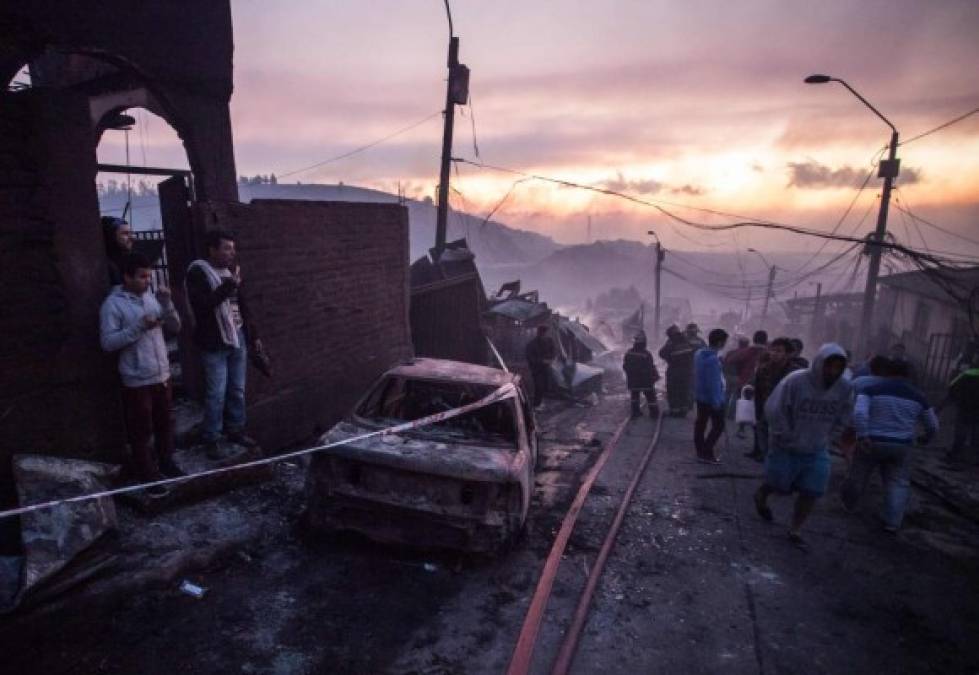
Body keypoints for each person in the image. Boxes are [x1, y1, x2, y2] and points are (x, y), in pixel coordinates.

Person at [753, 343, 853, 549]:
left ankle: (796, 528)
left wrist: (830, 436)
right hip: (786, 445)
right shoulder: (796, 381)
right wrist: (784, 434)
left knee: (812, 489)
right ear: (819, 363)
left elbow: (845, 415)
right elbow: (774, 408)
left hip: (817, 447)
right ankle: (762, 494)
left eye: (838, 368)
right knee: (779, 484)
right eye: (829, 366)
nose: (832, 372)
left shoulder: (844, 388)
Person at [99, 252, 182, 492]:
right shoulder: (112, 305)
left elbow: (176, 328)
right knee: (141, 429)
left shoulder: (151, 298)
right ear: (126, 276)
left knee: (165, 423)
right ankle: (147, 474)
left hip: (161, 375)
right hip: (136, 380)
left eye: (149, 276)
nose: (148, 281)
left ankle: (166, 462)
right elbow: (107, 343)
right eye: (142, 277)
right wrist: (138, 326)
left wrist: (167, 304)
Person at [186, 229, 260, 457]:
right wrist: (230, 285)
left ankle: (236, 429)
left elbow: (242, 306)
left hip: (237, 336)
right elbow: (203, 306)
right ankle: (212, 438)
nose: (231, 253)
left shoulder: (230, 272)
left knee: (237, 389)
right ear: (212, 249)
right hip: (214, 341)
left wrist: (254, 335)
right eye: (227, 248)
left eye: (233, 249)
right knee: (216, 392)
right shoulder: (198, 272)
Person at [841, 360, 938, 532]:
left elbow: (860, 413)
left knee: (858, 475)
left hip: (872, 441)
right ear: (908, 375)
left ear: (886, 373)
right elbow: (933, 425)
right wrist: (925, 439)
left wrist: (863, 435)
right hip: (902, 445)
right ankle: (892, 522)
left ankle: (848, 507)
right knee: (897, 483)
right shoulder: (919, 396)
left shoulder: (871, 390)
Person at [745, 337, 799, 462]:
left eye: (779, 351)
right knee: (764, 437)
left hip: (786, 413)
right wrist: (758, 411)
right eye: (773, 350)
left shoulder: (795, 373)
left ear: (788, 354)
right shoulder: (763, 369)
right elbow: (758, 391)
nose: (774, 354)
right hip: (766, 409)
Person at [694, 328, 728, 463]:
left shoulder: (699, 353)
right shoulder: (713, 360)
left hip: (700, 395)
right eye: (725, 341)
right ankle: (707, 453)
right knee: (719, 425)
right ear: (720, 342)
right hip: (711, 398)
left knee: (700, 423)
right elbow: (713, 383)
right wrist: (717, 401)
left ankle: (700, 451)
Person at [725, 330, 768, 433]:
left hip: (745, 381)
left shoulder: (747, 351)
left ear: (753, 339)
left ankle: (740, 425)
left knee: (742, 401)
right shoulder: (770, 352)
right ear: (765, 340)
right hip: (764, 383)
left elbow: (730, 360)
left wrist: (737, 373)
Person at [946, 355, 979, 465]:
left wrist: (957, 399)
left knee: (961, 432)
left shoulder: (967, 373)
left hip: (964, 407)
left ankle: (956, 454)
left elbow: (952, 386)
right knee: (976, 433)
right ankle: (973, 457)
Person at [658, 324, 695, 417]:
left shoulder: (671, 342)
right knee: (684, 389)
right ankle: (683, 411)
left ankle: (674, 411)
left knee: (673, 390)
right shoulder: (686, 341)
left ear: (671, 334)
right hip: (687, 371)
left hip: (674, 371)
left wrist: (669, 358)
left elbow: (661, 353)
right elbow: (692, 353)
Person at [623, 332, 659, 418]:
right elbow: (651, 367)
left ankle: (635, 412)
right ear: (644, 342)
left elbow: (625, 366)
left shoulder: (629, 353)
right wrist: (655, 376)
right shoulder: (646, 354)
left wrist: (630, 375)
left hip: (633, 380)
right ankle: (654, 413)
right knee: (651, 396)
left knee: (634, 396)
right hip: (645, 380)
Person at [525, 324, 556, 409]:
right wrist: (542, 361)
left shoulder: (550, 341)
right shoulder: (532, 344)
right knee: (538, 386)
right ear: (539, 333)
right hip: (536, 369)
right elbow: (530, 357)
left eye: (546, 333)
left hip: (547, 367)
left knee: (545, 386)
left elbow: (553, 352)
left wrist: (551, 359)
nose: (545, 335)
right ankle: (536, 404)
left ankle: (540, 402)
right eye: (543, 333)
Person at [101, 216, 134, 286]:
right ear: (111, 236)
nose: (131, 237)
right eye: (125, 233)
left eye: (131, 233)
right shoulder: (108, 267)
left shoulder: (127, 261)